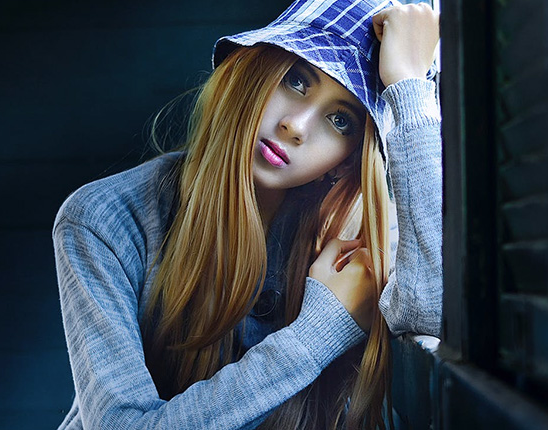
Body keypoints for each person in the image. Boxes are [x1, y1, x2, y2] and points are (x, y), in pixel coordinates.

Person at [53, 0, 442, 429]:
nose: (296, 126)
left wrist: (409, 90)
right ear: (255, 71)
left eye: (339, 119)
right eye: (296, 81)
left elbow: (433, 311)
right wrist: (317, 334)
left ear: (345, 162)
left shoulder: (352, 239)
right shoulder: (105, 220)